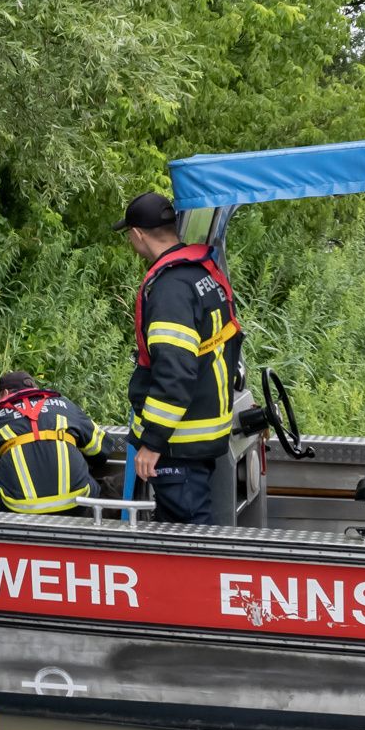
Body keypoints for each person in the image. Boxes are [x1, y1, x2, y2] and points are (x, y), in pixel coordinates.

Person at [117, 190, 244, 525]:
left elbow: (175, 372)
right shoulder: (201, 274)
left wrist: (152, 442)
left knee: (188, 536)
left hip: (179, 442)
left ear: (137, 234)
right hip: (201, 432)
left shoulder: (170, 289)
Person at [0, 370, 116, 515]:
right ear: (34, 389)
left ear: (4, 394)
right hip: (78, 503)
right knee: (91, 478)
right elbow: (102, 450)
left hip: (19, 509)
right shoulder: (66, 405)